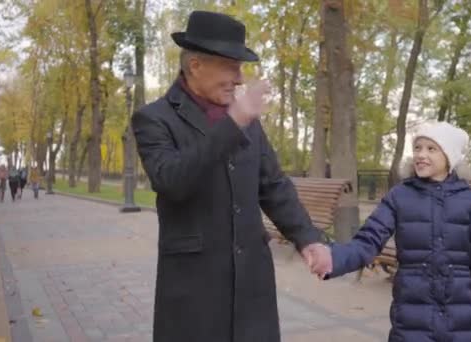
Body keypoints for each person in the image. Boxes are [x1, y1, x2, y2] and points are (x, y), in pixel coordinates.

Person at [131, 10, 331, 342]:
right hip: (194, 290)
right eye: (231, 66)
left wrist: (307, 239)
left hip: (252, 285)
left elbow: (273, 185)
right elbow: (171, 181)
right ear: (196, 66)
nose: (239, 79)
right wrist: (233, 123)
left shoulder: (245, 120)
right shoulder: (154, 119)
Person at [310, 122, 471, 342]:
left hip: (459, 320)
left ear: (449, 156)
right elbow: (369, 239)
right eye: (417, 148)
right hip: (412, 318)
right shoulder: (400, 196)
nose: (421, 155)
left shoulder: (469, 201)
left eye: (431, 149)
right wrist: (334, 259)